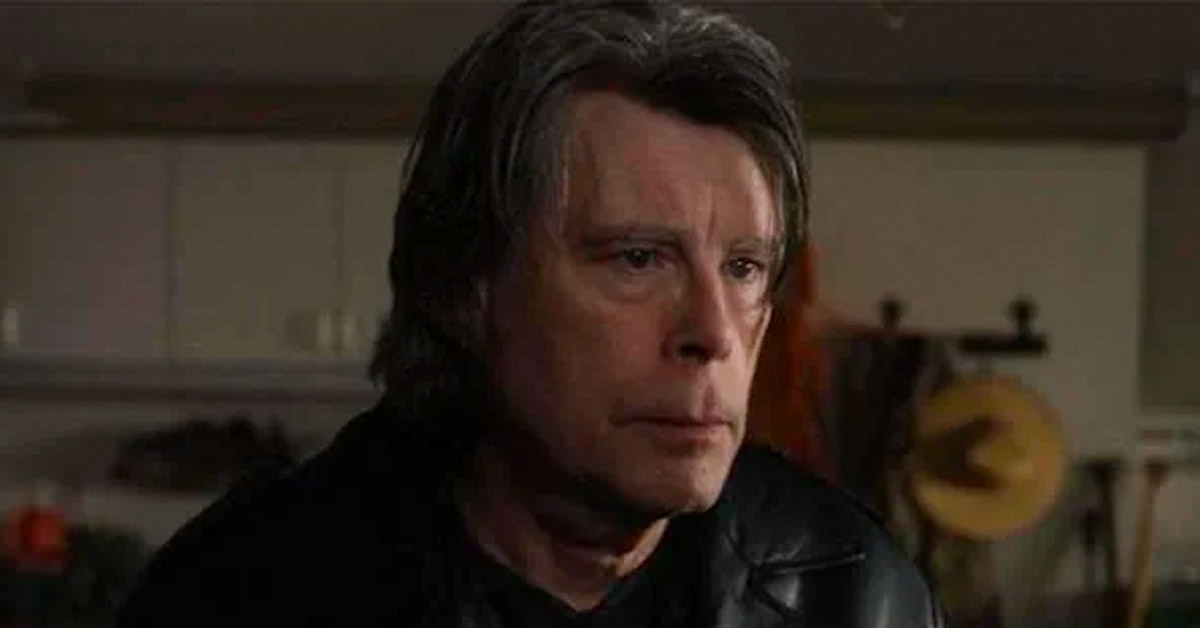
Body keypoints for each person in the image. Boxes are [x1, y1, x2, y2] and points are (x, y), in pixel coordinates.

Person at [117, 1, 942, 626]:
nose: (715, 333)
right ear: (469, 285)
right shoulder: (241, 590)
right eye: (638, 258)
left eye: (744, 268)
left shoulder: (853, 593)